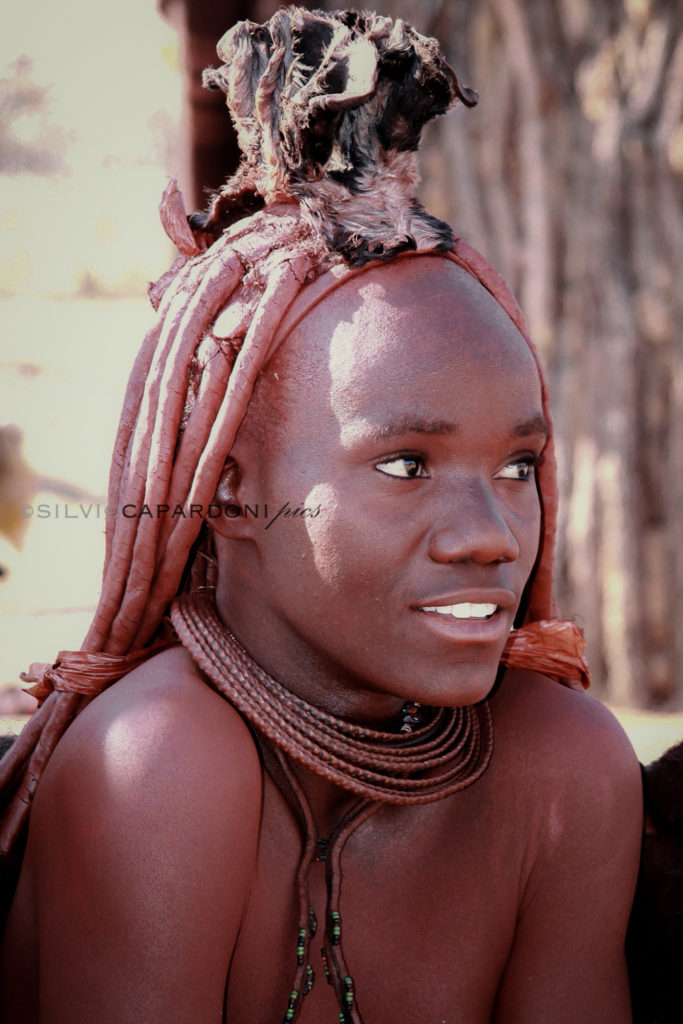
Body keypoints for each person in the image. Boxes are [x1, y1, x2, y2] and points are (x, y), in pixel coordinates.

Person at [0, 8, 642, 1022]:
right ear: (229, 489)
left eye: (518, 464)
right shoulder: (159, 767)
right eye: (403, 462)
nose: (488, 534)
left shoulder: (557, 768)